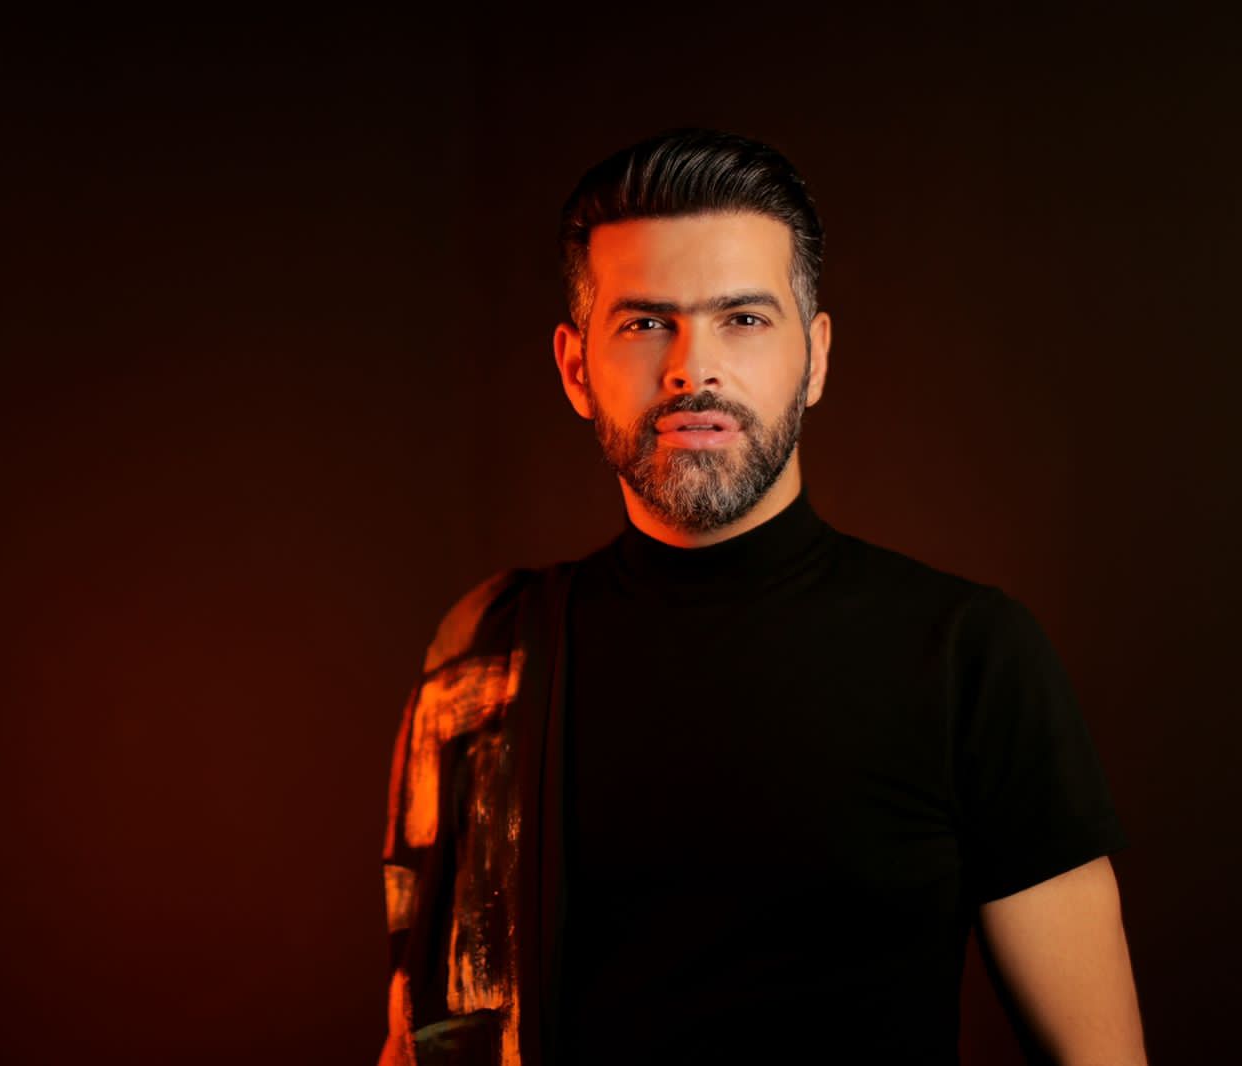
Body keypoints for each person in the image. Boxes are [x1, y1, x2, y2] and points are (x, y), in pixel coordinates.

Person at [377, 129, 1146, 1066]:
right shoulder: (487, 651)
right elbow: (421, 1040)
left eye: (743, 318)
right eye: (645, 323)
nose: (692, 369)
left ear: (814, 357)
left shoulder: (970, 656)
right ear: (576, 369)